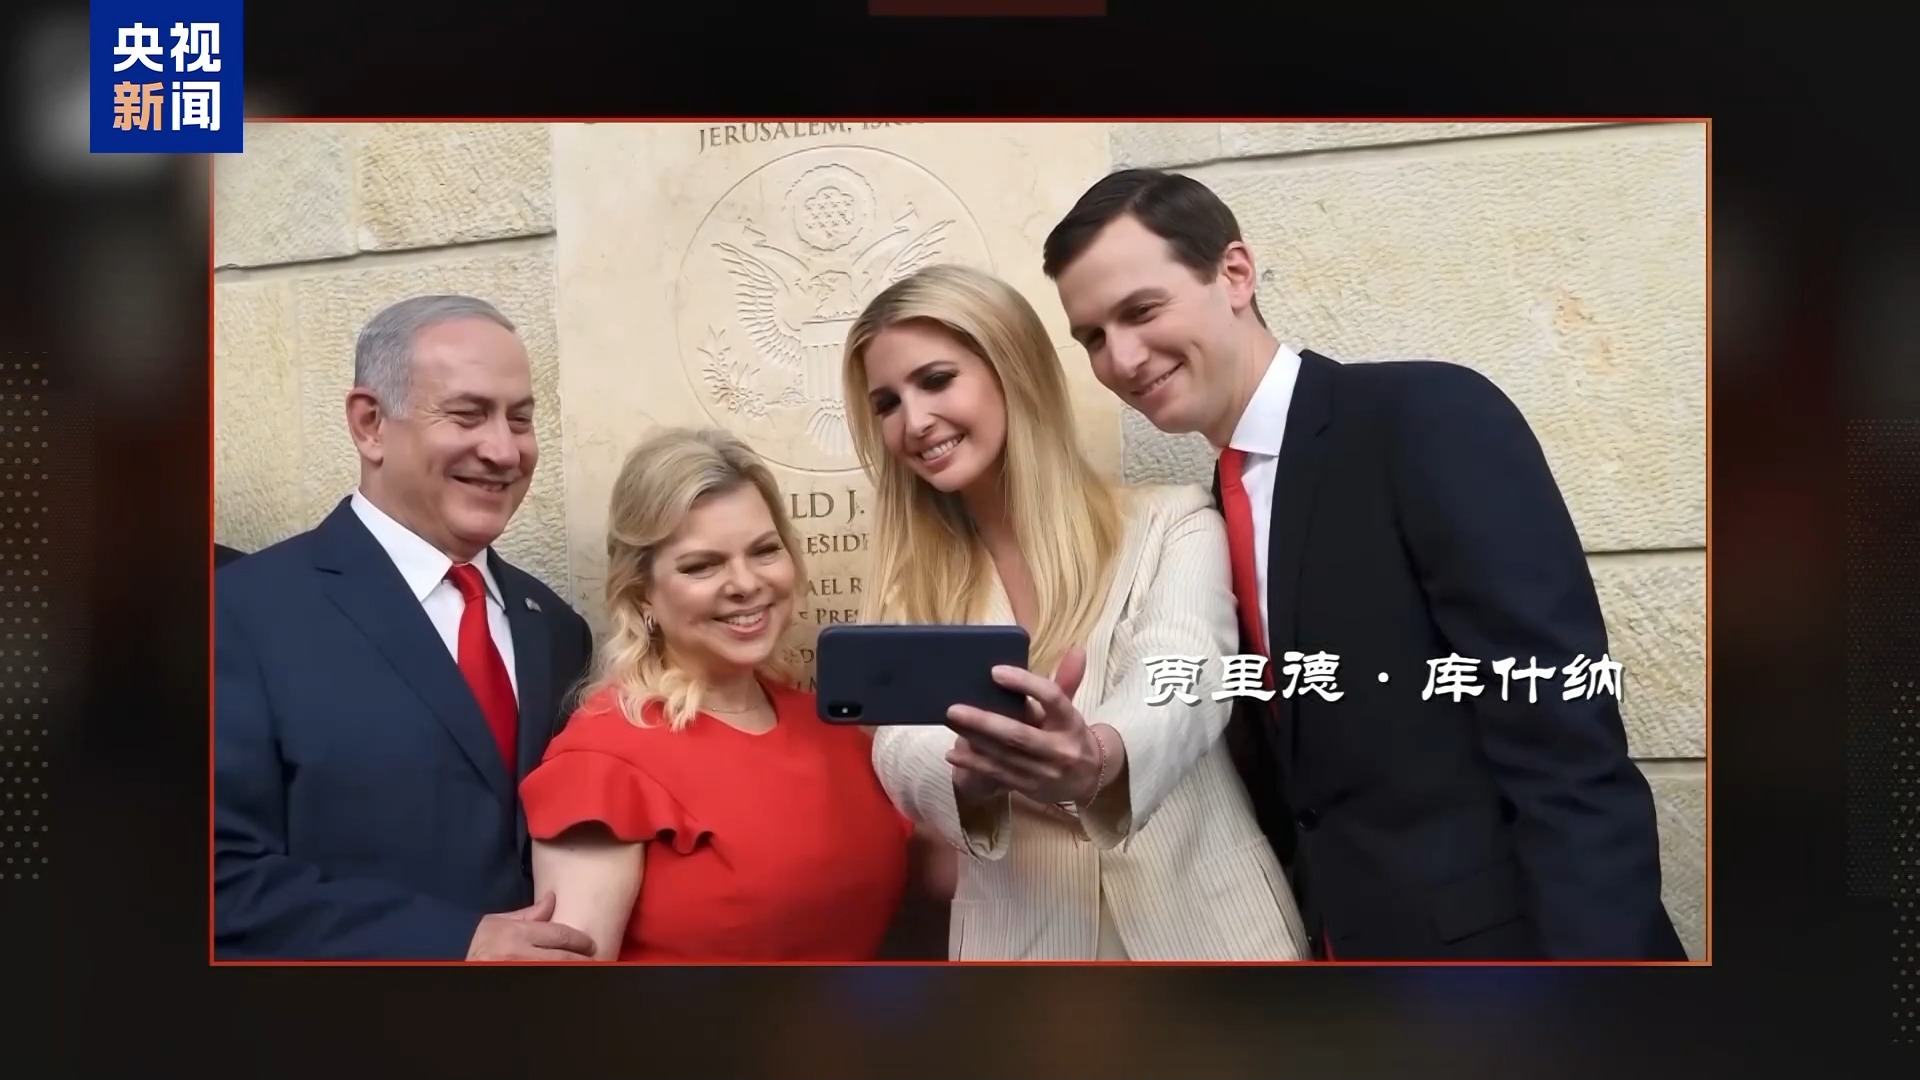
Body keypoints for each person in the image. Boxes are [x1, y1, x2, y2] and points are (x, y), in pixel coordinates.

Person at [1042, 167, 1687, 961]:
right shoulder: (1212, 506)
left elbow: (1563, 734)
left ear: (1235, 273)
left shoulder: (1422, 417)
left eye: (1141, 311)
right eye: (1092, 337)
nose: (1122, 357)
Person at [842, 263, 1308, 961]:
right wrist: (968, 773)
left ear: (1012, 369)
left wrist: (1098, 757)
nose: (914, 422)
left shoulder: (1172, 521)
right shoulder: (910, 585)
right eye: (886, 403)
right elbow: (900, 745)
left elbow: (1185, 675)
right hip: (1025, 953)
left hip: (1213, 933)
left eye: (936, 380)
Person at [214, 294, 597, 961]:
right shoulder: (239, 613)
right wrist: (455, 942)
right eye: (468, 414)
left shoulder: (558, 630)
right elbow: (218, 880)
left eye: (521, 418)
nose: (504, 450)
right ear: (370, 424)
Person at [516, 427, 912, 961]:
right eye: (702, 566)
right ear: (642, 594)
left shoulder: (833, 731)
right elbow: (574, 988)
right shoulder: (602, 761)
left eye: (764, 551)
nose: (745, 584)